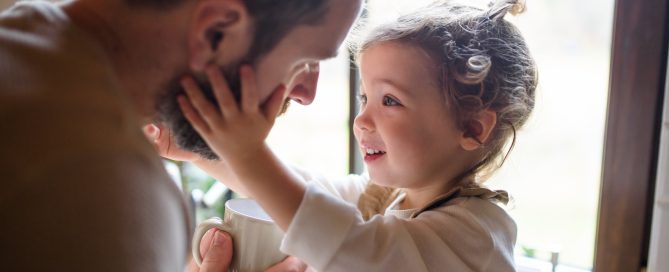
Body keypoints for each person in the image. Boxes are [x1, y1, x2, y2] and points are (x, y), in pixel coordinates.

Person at [174, 0, 537, 270]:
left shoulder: (474, 237)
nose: (362, 120)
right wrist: (199, 152)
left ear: (472, 127)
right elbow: (305, 192)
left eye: (390, 100)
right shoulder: (387, 197)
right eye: (365, 97)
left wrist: (249, 155)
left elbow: (356, 249)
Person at [0, 0, 362, 270]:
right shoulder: (106, 184)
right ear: (215, 32)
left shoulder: (22, 37)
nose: (307, 94)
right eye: (303, 61)